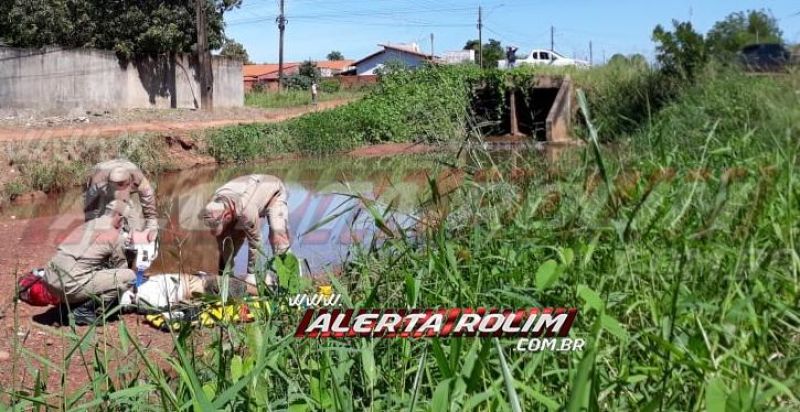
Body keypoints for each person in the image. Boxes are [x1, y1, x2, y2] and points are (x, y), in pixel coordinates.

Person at [43, 201, 135, 325]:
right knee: (129, 276)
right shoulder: (114, 235)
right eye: (124, 221)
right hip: (68, 286)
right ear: (119, 217)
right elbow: (121, 269)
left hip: (49, 280)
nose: (123, 224)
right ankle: (83, 310)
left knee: (86, 270)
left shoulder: (87, 225)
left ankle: (69, 305)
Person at [201, 175, 291, 284]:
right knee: (231, 237)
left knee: (277, 236)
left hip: (273, 192)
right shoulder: (213, 203)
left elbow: (256, 242)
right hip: (244, 196)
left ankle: (290, 277)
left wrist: (252, 274)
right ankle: (226, 276)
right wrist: (225, 272)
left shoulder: (245, 210)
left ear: (227, 216)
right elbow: (223, 242)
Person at [84, 159, 158, 242]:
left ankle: (132, 235)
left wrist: (151, 223)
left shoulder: (138, 177)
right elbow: (90, 205)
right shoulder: (97, 181)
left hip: (126, 171)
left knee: (131, 216)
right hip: (101, 191)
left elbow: (148, 197)